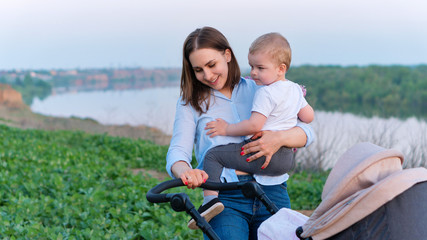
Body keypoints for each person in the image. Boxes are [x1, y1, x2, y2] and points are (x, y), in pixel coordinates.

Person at [166, 26, 315, 239]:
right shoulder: (190, 103)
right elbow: (178, 152)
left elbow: (308, 131)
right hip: (225, 198)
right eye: (198, 70)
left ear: (227, 55)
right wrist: (185, 172)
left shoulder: (260, 87)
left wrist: (278, 138)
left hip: (272, 191)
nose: (207, 75)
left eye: (211, 64)